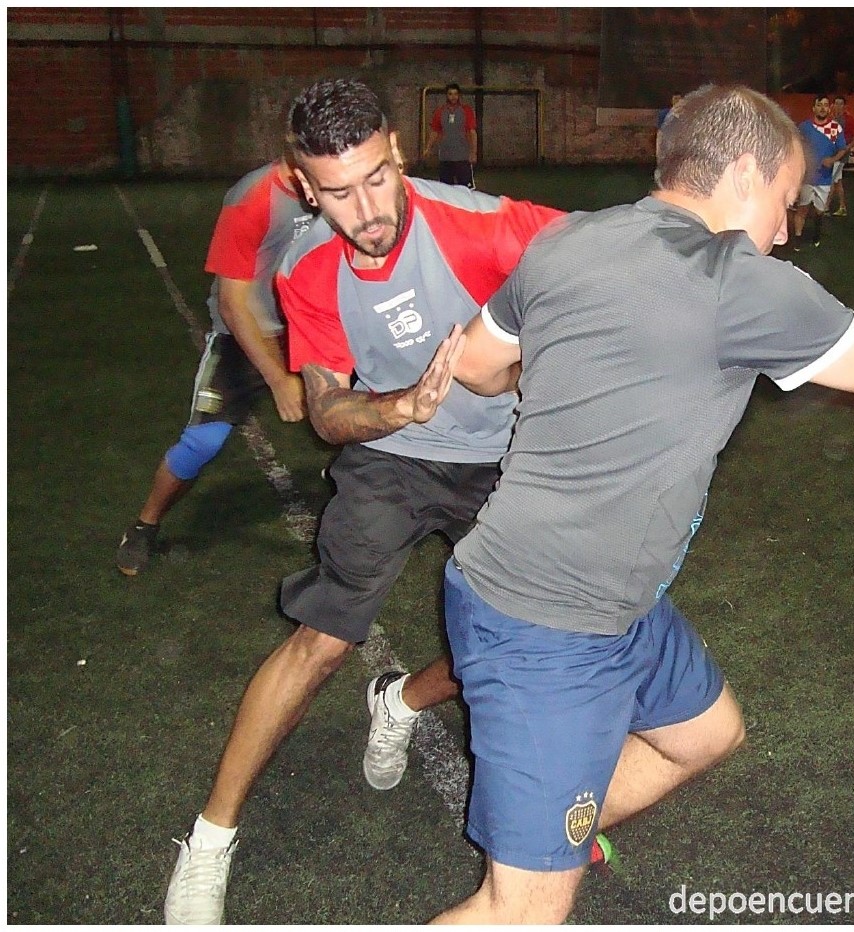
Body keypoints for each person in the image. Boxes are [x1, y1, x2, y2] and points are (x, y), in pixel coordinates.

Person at [432, 83, 854, 923]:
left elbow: (474, 366)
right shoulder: (735, 282)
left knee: (706, 735)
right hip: (547, 624)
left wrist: (575, 373)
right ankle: (533, 863)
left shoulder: (568, 239)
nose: (786, 229)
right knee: (522, 915)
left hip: (609, 599)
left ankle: (553, 825)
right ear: (745, 174)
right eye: (785, 200)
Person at [162, 78, 564, 925]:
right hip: (390, 458)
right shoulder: (308, 267)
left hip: (502, 456)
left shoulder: (483, 224)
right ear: (304, 186)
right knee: (322, 640)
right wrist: (403, 408)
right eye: (338, 191)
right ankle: (209, 840)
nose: (367, 208)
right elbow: (328, 411)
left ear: (399, 154)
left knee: (524, 640)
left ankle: (402, 700)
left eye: (378, 177)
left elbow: (606, 258)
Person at [115, 158, 314, 576]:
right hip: (245, 334)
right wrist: (278, 378)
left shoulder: (334, 183)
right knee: (202, 443)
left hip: (309, 326)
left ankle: (357, 488)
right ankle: (145, 525)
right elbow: (231, 304)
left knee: (359, 408)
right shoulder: (252, 199)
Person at [791, 93, 848, 250]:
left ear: (829, 108)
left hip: (824, 178)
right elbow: (796, 146)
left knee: (819, 210)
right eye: (819, 105)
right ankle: (797, 238)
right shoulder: (804, 127)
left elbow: (842, 148)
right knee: (802, 208)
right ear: (813, 108)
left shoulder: (835, 128)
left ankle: (816, 233)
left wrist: (832, 159)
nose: (822, 108)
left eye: (825, 105)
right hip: (807, 177)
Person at [422, 82, 477, 188]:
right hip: (445, 157)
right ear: (447, 95)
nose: (453, 97)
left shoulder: (466, 111)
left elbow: (472, 132)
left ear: (459, 95)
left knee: (466, 189)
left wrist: (473, 152)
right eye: (450, 94)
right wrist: (428, 148)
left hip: (462, 157)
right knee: (445, 189)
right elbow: (435, 131)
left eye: (455, 94)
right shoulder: (440, 112)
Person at [825, 94, 854, 216]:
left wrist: (846, 148)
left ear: (844, 106)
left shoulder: (848, 119)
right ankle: (842, 207)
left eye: (841, 104)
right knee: (837, 181)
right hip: (833, 154)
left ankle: (826, 207)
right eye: (836, 103)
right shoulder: (832, 118)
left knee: (832, 180)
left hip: (840, 156)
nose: (838, 106)